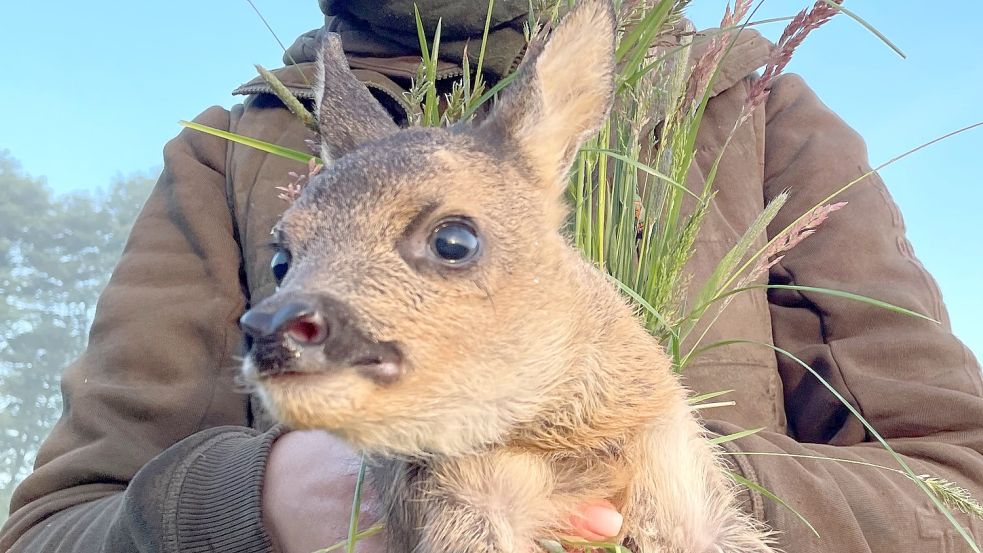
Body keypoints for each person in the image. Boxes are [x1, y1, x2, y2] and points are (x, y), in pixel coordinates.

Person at [3, 1, 982, 552]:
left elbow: (958, 484)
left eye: (449, 244)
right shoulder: (231, 147)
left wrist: (666, 492)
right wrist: (258, 497)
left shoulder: (742, 102)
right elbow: (50, 530)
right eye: (283, 262)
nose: (283, 307)